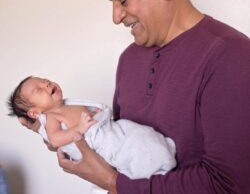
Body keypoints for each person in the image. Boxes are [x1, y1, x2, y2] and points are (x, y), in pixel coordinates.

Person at [19, 0, 250, 193]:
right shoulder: (128, 59)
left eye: (123, 0)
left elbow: (229, 184)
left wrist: (112, 183)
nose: (116, 17)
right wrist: (52, 127)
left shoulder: (231, 55)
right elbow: (121, 148)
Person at [8, 76, 176, 180]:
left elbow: (92, 113)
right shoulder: (50, 117)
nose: (46, 84)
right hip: (102, 141)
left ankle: (160, 153)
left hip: (110, 128)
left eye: (45, 80)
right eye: (39, 89)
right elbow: (55, 138)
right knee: (132, 149)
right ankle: (155, 168)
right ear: (35, 112)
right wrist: (79, 128)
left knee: (140, 134)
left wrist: (96, 113)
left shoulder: (67, 104)